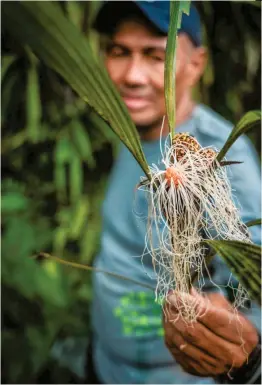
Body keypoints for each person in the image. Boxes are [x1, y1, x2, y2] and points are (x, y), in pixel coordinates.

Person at [87, 1, 261, 384]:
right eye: (119, 51)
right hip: (105, 364)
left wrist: (248, 351)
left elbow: (256, 276)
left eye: (154, 55)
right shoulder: (129, 130)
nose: (132, 75)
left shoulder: (221, 156)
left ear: (196, 64)